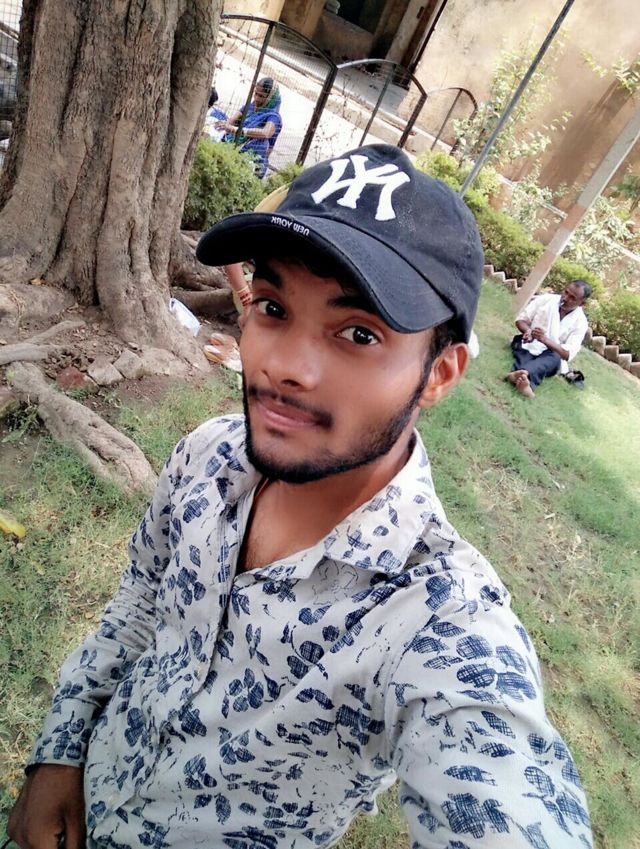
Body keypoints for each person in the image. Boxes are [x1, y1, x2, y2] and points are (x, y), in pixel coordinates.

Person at [8, 144, 593, 849]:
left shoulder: (438, 620)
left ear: (439, 373)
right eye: (274, 307)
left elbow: (504, 786)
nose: (284, 366)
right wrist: (61, 749)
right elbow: (140, 599)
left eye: (358, 333)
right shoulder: (208, 455)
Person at [506, 281, 591, 398]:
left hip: (550, 355)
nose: (566, 298)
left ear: (582, 303)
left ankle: (519, 375)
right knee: (525, 351)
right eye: (566, 292)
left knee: (553, 359)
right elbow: (521, 320)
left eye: (572, 298)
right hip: (528, 342)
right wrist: (528, 331)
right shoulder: (546, 300)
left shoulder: (581, 322)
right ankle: (526, 381)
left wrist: (544, 340)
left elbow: (567, 354)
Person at [218, 77, 283, 178]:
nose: (256, 98)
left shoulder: (274, 116)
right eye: (255, 93)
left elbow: (266, 133)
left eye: (261, 96)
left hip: (253, 160)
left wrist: (238, 130)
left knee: (261, 142)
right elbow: (233, 118)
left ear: (270, 98)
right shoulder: (252, 106)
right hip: (236, 150)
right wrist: (226, 125)